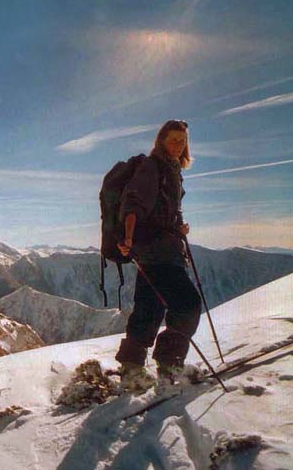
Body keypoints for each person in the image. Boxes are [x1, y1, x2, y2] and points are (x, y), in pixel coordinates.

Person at [115, 119, 202, 391]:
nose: (178, 145)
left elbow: (156, 210)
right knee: (187, 304)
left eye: (183, 140)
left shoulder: (170, 170)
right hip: (158, 251)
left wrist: (177, 226)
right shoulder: (153, 167)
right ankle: (169, 366)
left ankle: (132, 372)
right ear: (161, 140)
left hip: (152, 249)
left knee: (148, 310)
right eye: (173, 139)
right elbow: (134, 203)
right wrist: (128, 236)